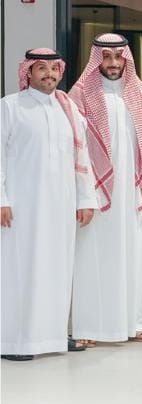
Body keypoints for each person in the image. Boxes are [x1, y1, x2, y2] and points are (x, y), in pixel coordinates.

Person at [1, 48, 95, 360]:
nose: (49, 74)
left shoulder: (68, 109)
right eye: (41, 68)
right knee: (22, 271)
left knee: (58, 269)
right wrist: (1, 200)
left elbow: (82, 158)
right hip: (22, 207)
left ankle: (53, 336)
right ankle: (16, 342)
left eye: (54, 69)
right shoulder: (10, 107)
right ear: (28, 72)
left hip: (61, 205)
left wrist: (85, 199)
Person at [68, 32, 142, 347]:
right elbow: (74, 147)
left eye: (119, 57)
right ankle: (90, 327)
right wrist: (83, 193)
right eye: (106, 57)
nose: (113, 63)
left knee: (133, 256)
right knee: (93, 257)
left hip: (132, 191)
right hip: (95, 192)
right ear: (97, 60)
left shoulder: (139, 94)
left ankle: (134, 323)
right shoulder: (80, 95)